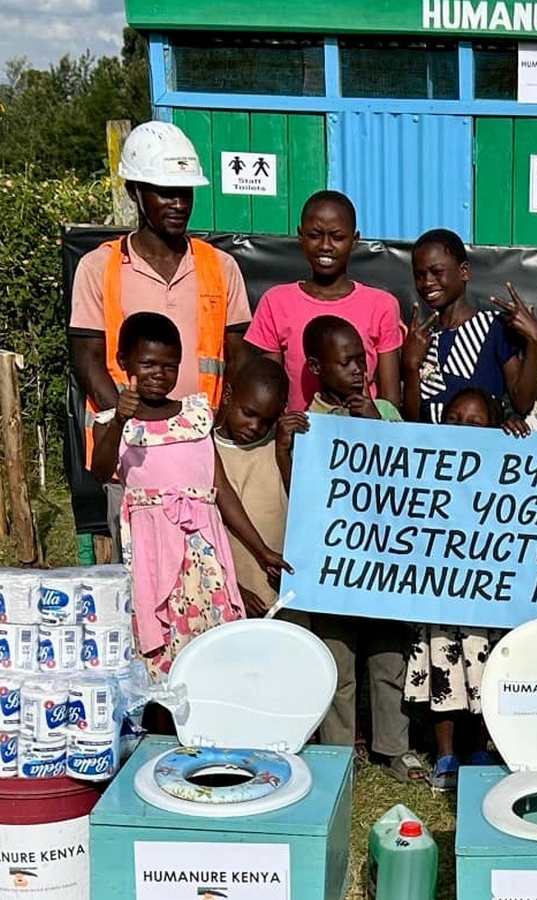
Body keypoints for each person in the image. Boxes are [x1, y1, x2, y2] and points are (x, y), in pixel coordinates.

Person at [71, 122, 252, 560]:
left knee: (206, 578)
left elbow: (239, 357)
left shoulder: (220, 267)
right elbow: (88, 359)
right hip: (132, 460)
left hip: (200, 457)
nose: (178, 203)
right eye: (164, 192)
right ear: (135, 192)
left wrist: (215, 428)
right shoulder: (99, 268)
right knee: (143, 581)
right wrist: (134, 425)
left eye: (184, 192)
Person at [88, 313, 288, 679]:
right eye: (148, 364)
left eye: (169, 366)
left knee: (211, 643)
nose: (159, 374)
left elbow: (220, 490)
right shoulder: (112, 423)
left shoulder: (196, 416)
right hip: (152, 554)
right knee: (159, 646)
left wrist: (261, 551)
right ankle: (163, 714)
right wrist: (119, 421)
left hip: (202, 554)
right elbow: (101, 471)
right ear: (123, 362)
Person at [303, 315, 420, 782]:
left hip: (385, 561)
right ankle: (337, 751)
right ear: (317, 367)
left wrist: (376, 424)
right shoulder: (307, 422)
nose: (358, 369)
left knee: (389, 658)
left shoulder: (385, 411)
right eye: (345, 362)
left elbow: (411, 471)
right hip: (334, 566)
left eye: (362, 359)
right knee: (338, 661)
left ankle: (394, 747)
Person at [405, 386, 506, 791]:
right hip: (442, 597)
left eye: (475, 423)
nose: (463, 428)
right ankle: (446, 753)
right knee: (442, 667)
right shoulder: (428, 467)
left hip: (485, 597)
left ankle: (479, 747)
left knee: (487, 667)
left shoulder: (504, 471)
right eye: (454, 419)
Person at [244, 190, 404, 413]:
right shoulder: (276, 302)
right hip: (302, 432)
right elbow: (271, 389)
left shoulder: (382, 305)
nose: (325, 246)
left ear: (355, 240)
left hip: (363, 430)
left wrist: (374, 419)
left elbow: (390, 400)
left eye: (337, 237)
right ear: (301, 236)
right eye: (315, 235)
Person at [402, 228, 537, 423]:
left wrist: (534, 342)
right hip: (431, 442)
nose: (427, 282)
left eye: (437, 272)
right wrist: (410, 366)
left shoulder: (494, 327)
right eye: (419, 275)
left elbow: (522, 403)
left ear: (464, 271)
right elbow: (412, 422)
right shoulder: (421, 340)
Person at [213, 356, 310, 626]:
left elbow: (306, 507)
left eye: (267, 421)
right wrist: (232, 588)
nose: (255, 427)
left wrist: (283, 453)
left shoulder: (283, 445)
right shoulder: (204, 449)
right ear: (228, 396)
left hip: (286, 597)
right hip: (231, 597)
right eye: (249, 413)